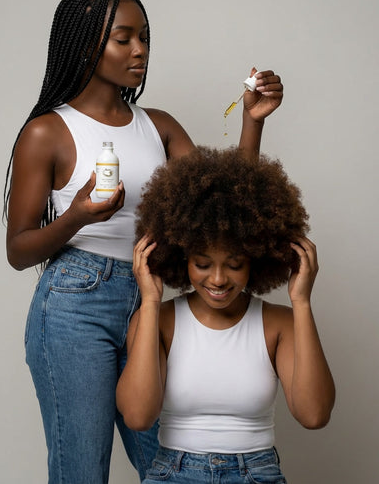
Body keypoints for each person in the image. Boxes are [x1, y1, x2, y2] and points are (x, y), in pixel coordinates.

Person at [4, 0, 283, 484]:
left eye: (145, 38)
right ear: (86, 45)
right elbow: (18, 249)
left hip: (148, 299)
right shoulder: (47, 132)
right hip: (72, 307)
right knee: (82, 472)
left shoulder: (159, 126)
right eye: (124, 38)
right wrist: (77, 217)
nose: (140, 50)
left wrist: (252, 122)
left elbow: (224, 210)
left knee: (172, 466)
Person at [116, 147, 335, 484]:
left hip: (256, 474)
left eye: (234, 264)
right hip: (172, 474)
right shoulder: (158, 321)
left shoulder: (279, 324)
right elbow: (137, 416)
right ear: (182, 256)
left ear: (256, 260)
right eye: (203, 264)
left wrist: (302, 302)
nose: (218, 279)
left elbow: (314, 414)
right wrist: (150, 300)